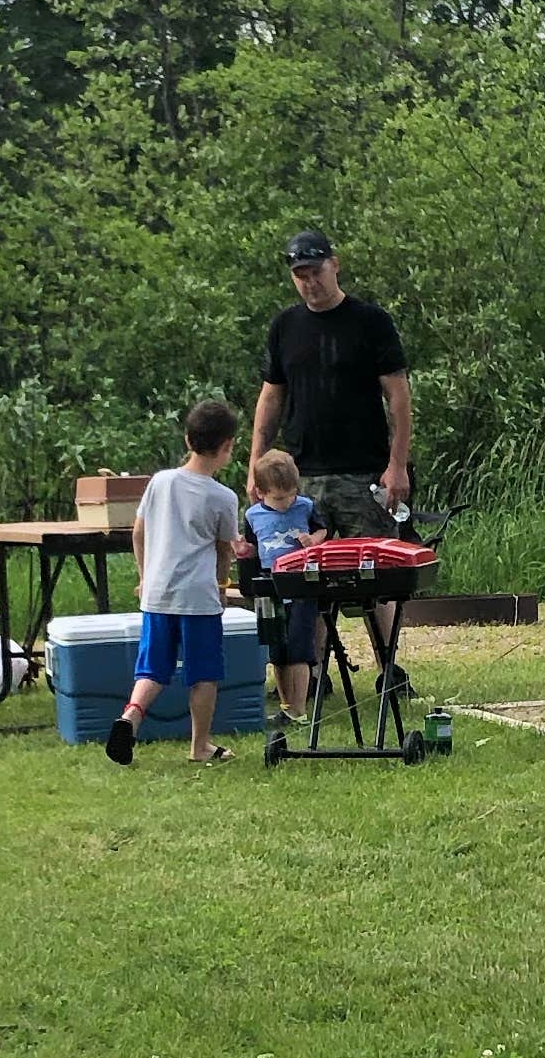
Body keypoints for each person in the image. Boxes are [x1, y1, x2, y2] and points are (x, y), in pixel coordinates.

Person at [105, 399, 242, 768]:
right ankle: (200, 745)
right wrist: (222, 585)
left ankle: (131, 716)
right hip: (198, 598)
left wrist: (144, 576)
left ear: (187, 439)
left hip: (157, 593)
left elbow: (138, 533)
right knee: (204, 673)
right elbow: (222, 549)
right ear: (228, 446)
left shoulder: (159, 482)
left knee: (152, 668)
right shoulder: (223, 497)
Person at [253, 232, 411, 540]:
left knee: (373, 570)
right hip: (298, 478)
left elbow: (399, 397)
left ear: (334, 265)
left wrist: (398, 464)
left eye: (316, 272)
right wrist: (256, 468)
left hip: (364, 472)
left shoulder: (371, 321)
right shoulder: (284, 326)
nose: (310, 282)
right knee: (297, 571)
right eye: (301, 276)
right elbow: (270, 399)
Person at [243, 445, 321, 721]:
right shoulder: (253, 516)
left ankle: (300, 707)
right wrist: (243, 552)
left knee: (300, 648)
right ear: (261, 493)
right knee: (276, 649)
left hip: (300, 583)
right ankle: (286, 705)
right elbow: (251, 549)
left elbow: (323, 529)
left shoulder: (306, 506)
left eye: (290, 495)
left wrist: (314, 541)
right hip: (269, 585)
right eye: (278, 498)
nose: (286, 503)